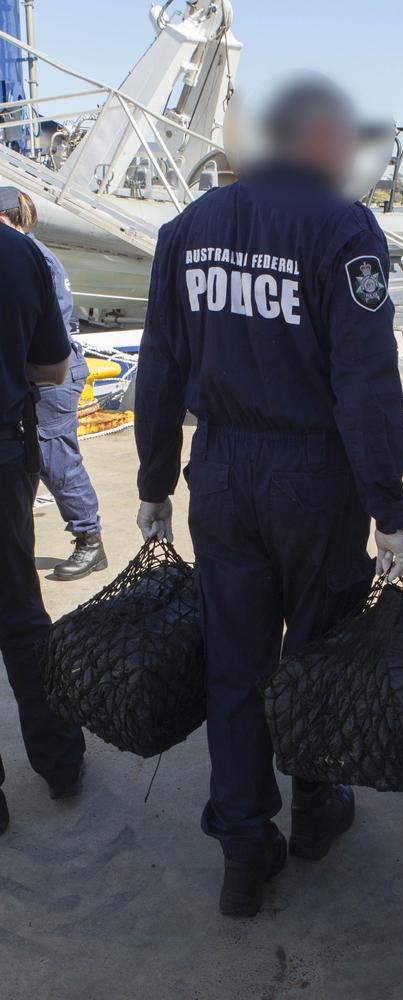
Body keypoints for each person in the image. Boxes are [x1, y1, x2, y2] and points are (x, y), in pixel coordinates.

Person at [135, 77, 403, 916]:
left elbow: (160, 370)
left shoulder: (189, 227)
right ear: (321, 141)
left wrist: (154, 481)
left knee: (236, 662)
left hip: (222, 474)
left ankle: (243, 847)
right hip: (311, 478)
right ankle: (318, 806)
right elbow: (365, 382)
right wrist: (390, 505)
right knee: (320, 654)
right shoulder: (343, 229)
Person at [0, 195, 86, 835]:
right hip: (3, 452)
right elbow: (53, 370)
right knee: (21, 613)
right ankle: (59, 763)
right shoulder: (22, 253)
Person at [0, 188, 107, 582]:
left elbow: (51, 331)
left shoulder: (31, 257)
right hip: (36, 372)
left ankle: (89, 539)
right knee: (28, 458)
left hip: (51, 375)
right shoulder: (28, 253)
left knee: (53, 456)